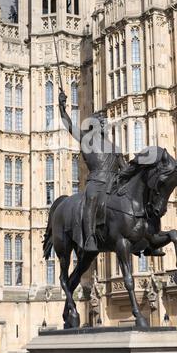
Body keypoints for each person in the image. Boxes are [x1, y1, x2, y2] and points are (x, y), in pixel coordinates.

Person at [59, 91, 128, 252]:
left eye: (104, 123)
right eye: (100, 122)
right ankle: (89, 237)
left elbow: (125, 169)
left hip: (113, 184)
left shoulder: (114, 148)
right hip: (96, 183)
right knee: (90, 198)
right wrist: (62, 109)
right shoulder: (86, 141)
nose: (103, 125)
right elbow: (69, 126)